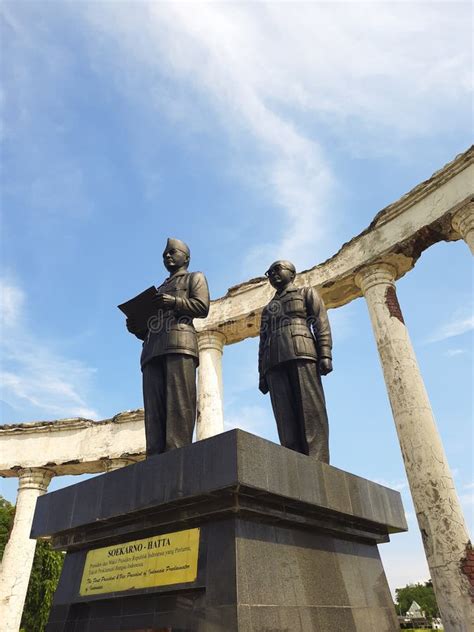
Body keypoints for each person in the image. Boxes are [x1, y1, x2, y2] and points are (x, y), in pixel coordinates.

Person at [126, 238, 210, 456]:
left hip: (179, 344)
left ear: (187, 257)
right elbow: (149, 327)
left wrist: (173, 302)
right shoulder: (159, 289)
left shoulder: (195, 278)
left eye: (173, 252)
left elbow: (202, 307)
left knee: (179, 402)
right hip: (152, 350)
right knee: (154, 408)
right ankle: (154, 456)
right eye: (165, 254)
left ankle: (177, 454)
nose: (167, 256)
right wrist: (135, 326)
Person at [258, 260, 333, 462]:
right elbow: (262, 341)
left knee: (311, 412)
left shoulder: (306, 293)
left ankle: (318, 463)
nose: (272, 274)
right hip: (274, 362)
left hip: (303, 354)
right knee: (285, 419)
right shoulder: (267, 309)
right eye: (269, 272)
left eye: (276, 269)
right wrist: (261, 374)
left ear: (292, 273)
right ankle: (293, 465)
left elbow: (321, 323)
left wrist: (325, 353)